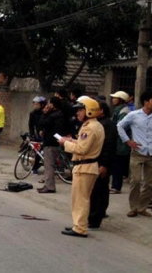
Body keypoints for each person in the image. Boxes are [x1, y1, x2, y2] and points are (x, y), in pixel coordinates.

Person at [59, 97, 105, 238]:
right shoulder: (91, 125)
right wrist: (71, 140)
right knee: (80, 198)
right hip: (85, 166)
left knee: (81, 199)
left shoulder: (90, 127)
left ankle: (80, 227)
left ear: (89, 111)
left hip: (85, 166)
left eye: (80, 110)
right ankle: (78, 224)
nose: (78, 113)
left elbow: (82, 149)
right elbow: (82, 144)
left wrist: (64, 143)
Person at [117, 90, 152, 217]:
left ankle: (142, 207)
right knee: (135, 181)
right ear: (146, 102)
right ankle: (133, 207)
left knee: (150, 183)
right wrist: (127, 141)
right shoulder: (134, 115)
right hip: (137, 152)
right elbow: (120, 126)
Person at [88, 101, 117, 229]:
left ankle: (95, 219)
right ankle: (95, 215)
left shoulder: (107, 125)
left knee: (98, 191)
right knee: (96, 190)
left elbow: (108, 146)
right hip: (96, 161)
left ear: (102, 111)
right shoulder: (98, 124)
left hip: (102, 162)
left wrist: (104, 164)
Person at [36, 97, 66, 193]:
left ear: (53, 104)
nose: (48, 105)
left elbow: (42, 123)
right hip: (55, 142)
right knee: (49, 164)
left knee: (49, 165)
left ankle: (49, 186)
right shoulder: (60, 114)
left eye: (49, 103)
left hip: (50, 143)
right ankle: (47, 184)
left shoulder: (53, 116)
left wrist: (44, 113)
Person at [109, 91, 131, 194]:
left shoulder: (124, 112)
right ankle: (114, 185)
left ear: (121, 100)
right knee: (115, 165)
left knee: (118, 165)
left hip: (121, 143)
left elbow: (120, 127)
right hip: (117, 142)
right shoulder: (118, 110)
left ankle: (116, 187)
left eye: (115, 98)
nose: (113, 99)